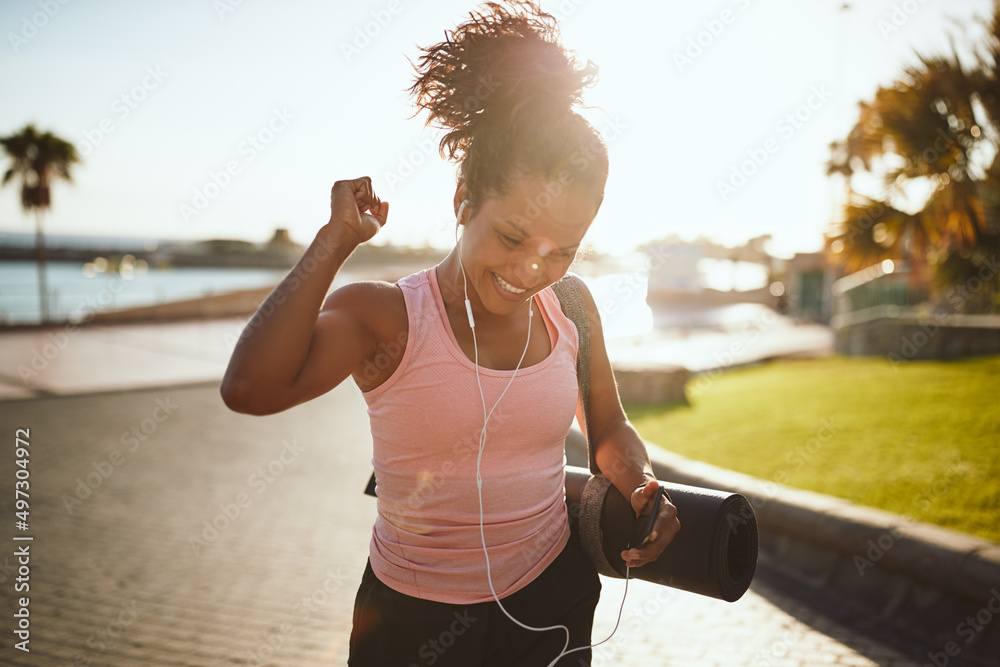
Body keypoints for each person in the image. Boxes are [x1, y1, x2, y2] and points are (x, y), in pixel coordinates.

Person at [220, 1, 680, 664]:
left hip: (552, 604)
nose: (533, 270)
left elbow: (608, 427)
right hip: (408, 625)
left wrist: (640, 482)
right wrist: (334, 239)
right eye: (513, 236)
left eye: (562, 250)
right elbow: (249, 387)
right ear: (464, 200)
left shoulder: (572, 307)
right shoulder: (389, 318)